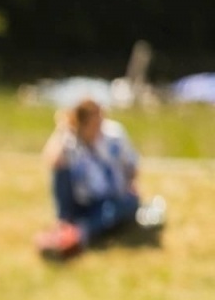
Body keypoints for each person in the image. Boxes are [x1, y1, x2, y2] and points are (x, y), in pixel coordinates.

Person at [38, 98, 166, 258]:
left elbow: (132, 165)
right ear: (80, 123)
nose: (99, 124)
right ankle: (64, 225)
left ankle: (78, 234)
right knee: (61, 172)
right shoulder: (70, 141)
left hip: (111, 201)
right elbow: (52, 161)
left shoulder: (114, 135)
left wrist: (132, 184)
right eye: (93, 121)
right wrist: (62, 130)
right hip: (82, 202)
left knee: (128, 203)